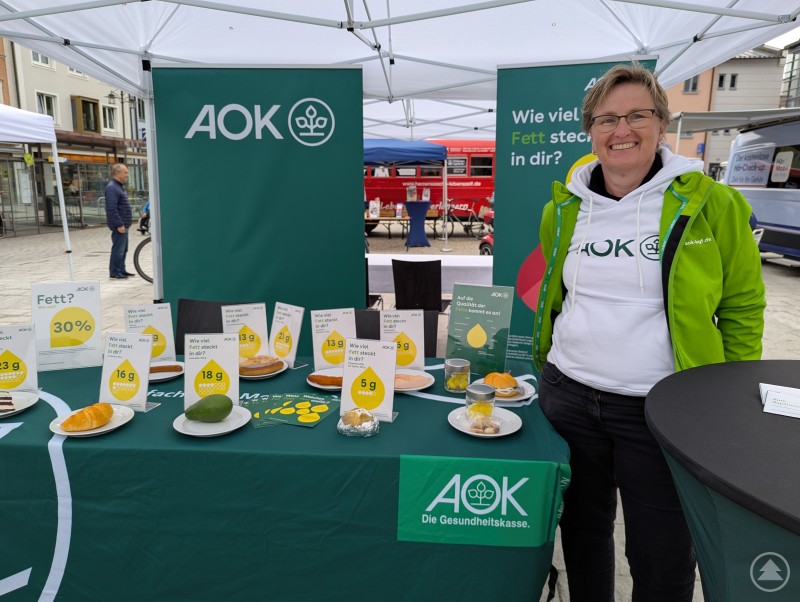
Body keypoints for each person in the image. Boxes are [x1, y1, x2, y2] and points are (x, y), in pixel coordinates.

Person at [532, 63, 765, 601]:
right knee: (582, 533)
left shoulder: (712, 203)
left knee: (661, 550)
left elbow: (743, 305)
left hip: (659, 407)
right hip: (569, 397)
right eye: (607, 119)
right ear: (590, 131)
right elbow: (557, 297)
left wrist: (725, 392)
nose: (622, 130)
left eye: (638, 115)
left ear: (662, 124)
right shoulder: (562, 210)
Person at [104, 163, 133, 279]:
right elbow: (111, 208)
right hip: (120, 225)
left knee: (123, 249)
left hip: (124, 224)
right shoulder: (112, 187)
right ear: (117, 173)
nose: (127, 175)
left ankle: (121, 269)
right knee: (118, 249)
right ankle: (115, 272)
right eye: (125, 172)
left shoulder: (118, 186)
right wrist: (119, 224)